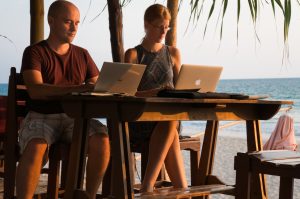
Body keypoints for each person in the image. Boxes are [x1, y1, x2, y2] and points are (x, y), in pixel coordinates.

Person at [17, 1, 110, 199]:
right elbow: (36, 90)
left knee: (102, 140)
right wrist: (78, 88)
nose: (74, 27)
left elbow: (98, 85)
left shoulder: (83, 54)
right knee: (36, 146)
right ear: (51, 21)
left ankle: (89, 196)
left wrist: (111, 86)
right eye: (68, 22)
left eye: (77, 22)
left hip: (74, 118)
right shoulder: (34, 52)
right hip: (41, 116)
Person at [125, 4, 187, 193]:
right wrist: (151, 93)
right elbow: (126, 94)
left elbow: (181, 89)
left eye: (166, 27)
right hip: (140, 120)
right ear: (147, 25)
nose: (163, 31)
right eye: (159, 26)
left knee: (170, 124)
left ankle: (149, 186)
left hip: (167, 119)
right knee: (171, 126)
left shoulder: (173, 53)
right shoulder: (134, 54)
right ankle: (173, 188)